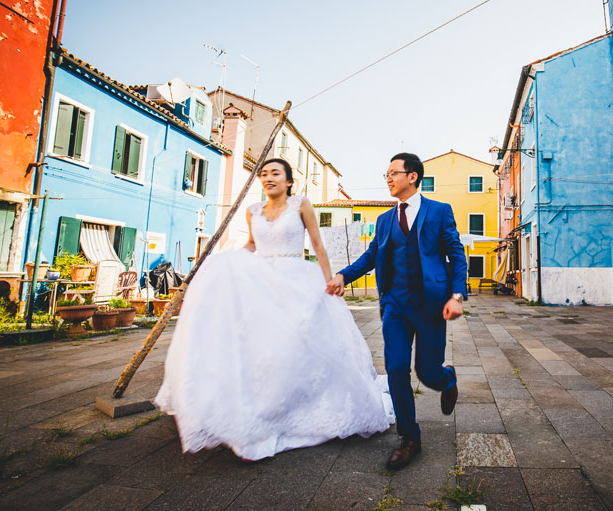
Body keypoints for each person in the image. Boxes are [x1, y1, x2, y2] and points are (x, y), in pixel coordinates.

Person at [155, 158, 394, 461]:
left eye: (275, 173)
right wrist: (228, 261)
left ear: (289, 181)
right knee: (260, 348)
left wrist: (330, 282)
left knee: (297, 345)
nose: (268, 178)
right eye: (264, 174)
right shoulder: (253, 211)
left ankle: (300, 405)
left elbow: (318, 245)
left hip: (297, 280)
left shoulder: (301, 205)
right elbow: (253, 244)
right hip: (261, 282)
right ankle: (262, 411)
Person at [326, 152, 467, 471]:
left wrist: (456, 295)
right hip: (395, 306)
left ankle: (447, 379)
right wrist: (342, 275)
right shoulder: (385, 219)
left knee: (427, 373)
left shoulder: (439, 212)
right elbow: (372, 256)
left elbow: (456, 255)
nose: (388, 178)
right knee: (397, 368)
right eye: (386, 174)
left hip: (431, 305)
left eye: (393, 173)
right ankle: (410, 439)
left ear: (412, 176)